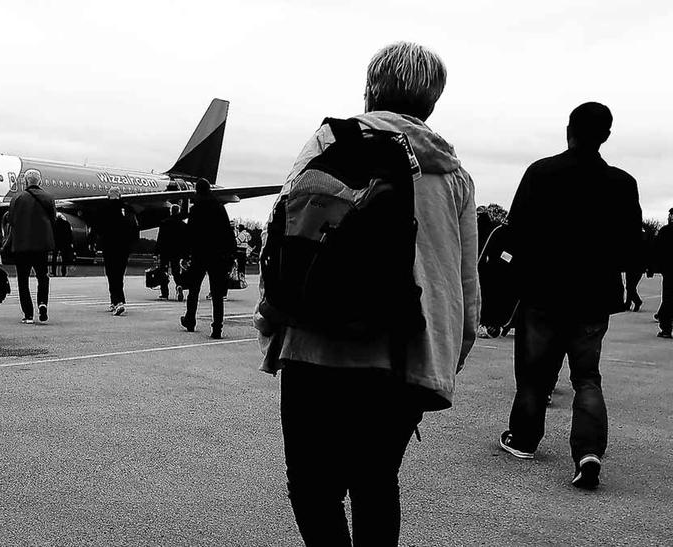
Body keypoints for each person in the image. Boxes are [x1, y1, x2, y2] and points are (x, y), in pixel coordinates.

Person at [255, 42, 479, 545]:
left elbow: (287, 230)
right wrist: (448, 355)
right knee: (377, 483)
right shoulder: (454, 174)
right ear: (432, 101)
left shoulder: (328, 144)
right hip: (404, 351)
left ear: (371, 89)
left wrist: (270, 321)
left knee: (314, 487)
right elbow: (465, 284)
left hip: (316, 343)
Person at [499, 102, 642, 491]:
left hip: (543, 290)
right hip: (594, 294)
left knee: (534, 374)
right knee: (587, 377)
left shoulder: (540, 173)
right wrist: (629, 289)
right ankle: (588, 450)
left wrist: (511, 285)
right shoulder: (622, 183)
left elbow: (516, 233)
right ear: (606, 136)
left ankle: (525, 439)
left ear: (569, 129)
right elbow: (633, 246)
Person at [180, 180, 237, 339]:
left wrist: (185, 255)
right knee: (217, 294)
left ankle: (190, 320)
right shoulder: (219, 208)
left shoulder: (196, 209)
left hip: (200, 254)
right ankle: (217, 328)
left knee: (194, 289)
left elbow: (190, 233)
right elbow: (227, 231)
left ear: (197, 191)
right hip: (218, 255)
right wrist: (231, 254)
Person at [9, 169, 56, 324]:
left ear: (25, 181)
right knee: (43, 277)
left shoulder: (17, 198)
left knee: (23, 280)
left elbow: (11, 220)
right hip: (41, 245)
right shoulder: (49, 198)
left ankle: (28, 314)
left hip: (22, 245)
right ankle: (42, 303)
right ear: (39, 181)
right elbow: (53, 219)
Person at [98, 187, 139, 316]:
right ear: (120, 196)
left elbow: (99, 228)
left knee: (111, 274)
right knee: (119, 274)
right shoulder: (128, 209)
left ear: (109, 196)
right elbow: (135, 227)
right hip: (124, 247)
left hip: (109, 246)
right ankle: (116, 300)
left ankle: (117, 301)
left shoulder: (104, 209)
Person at [155, 204, 187, 301]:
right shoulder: (183, 225)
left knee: (163, 271)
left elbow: (160, 239)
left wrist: (156, 252)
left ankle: (164, 293)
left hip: (165, 251)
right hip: (177, 252)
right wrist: (186, 254)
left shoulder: (164, 223)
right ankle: (179, 285)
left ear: (170, 211)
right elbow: (186, 241)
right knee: (176, 271)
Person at [651, 208, 673, 337]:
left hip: (669, 269)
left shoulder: (665, 231)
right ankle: (665, 324)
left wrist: (655, 266)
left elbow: (656, 250)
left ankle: (665, 327)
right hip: (668, 269)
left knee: (668, 297)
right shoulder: (665, 231)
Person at [51, 212, 73, 277]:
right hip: (64, 243)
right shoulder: (66, 224)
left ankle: (53, 272)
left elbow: (52, 233)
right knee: (64, 259)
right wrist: (70, 242)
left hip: (56, 243)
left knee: (54, 258)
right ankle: (63, 272)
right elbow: (69, 234)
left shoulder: (54, 224)